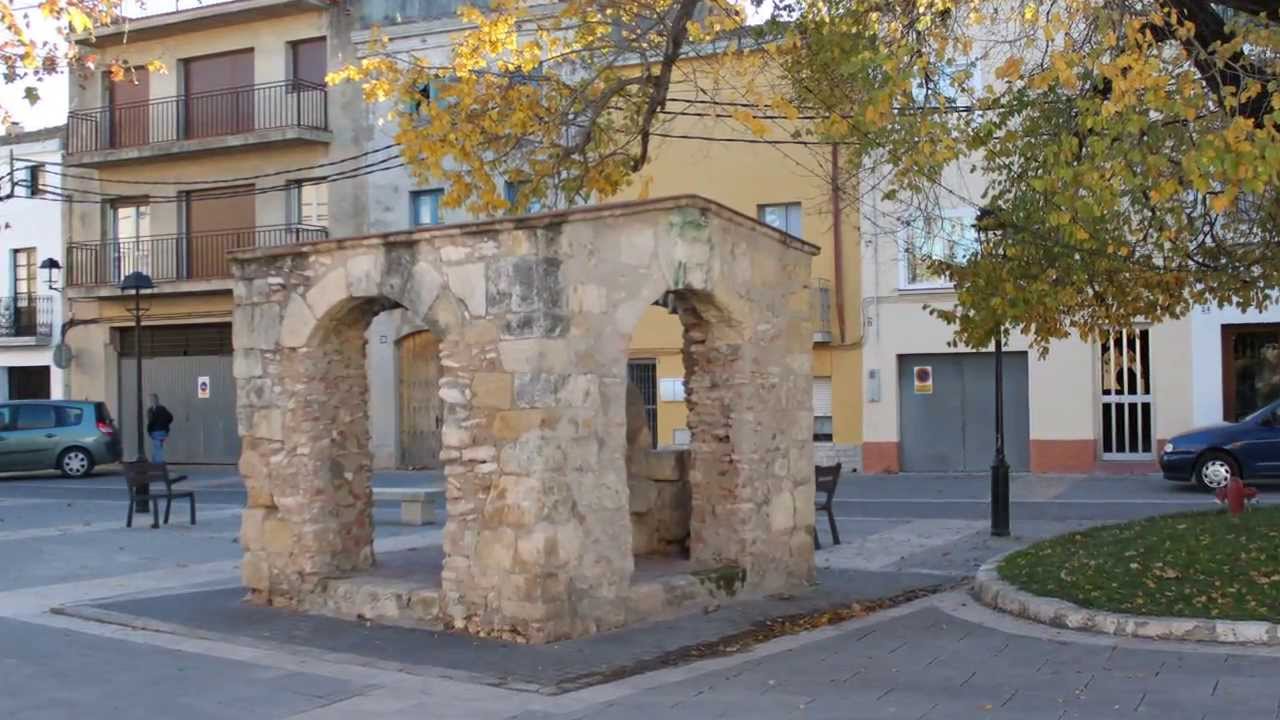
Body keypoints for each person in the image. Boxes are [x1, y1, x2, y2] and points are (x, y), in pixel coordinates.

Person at [146, 394, 174, 464]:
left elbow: (151, 421)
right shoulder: (158, 409)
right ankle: (156, 462)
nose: (151, 401)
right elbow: (170, 418)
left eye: (152, 399)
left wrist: (149, 430)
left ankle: (158, 463)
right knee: (157, 446)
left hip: (157, 431)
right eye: (150, 399)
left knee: (157, 447)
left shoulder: (154, 410)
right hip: (160, 431)